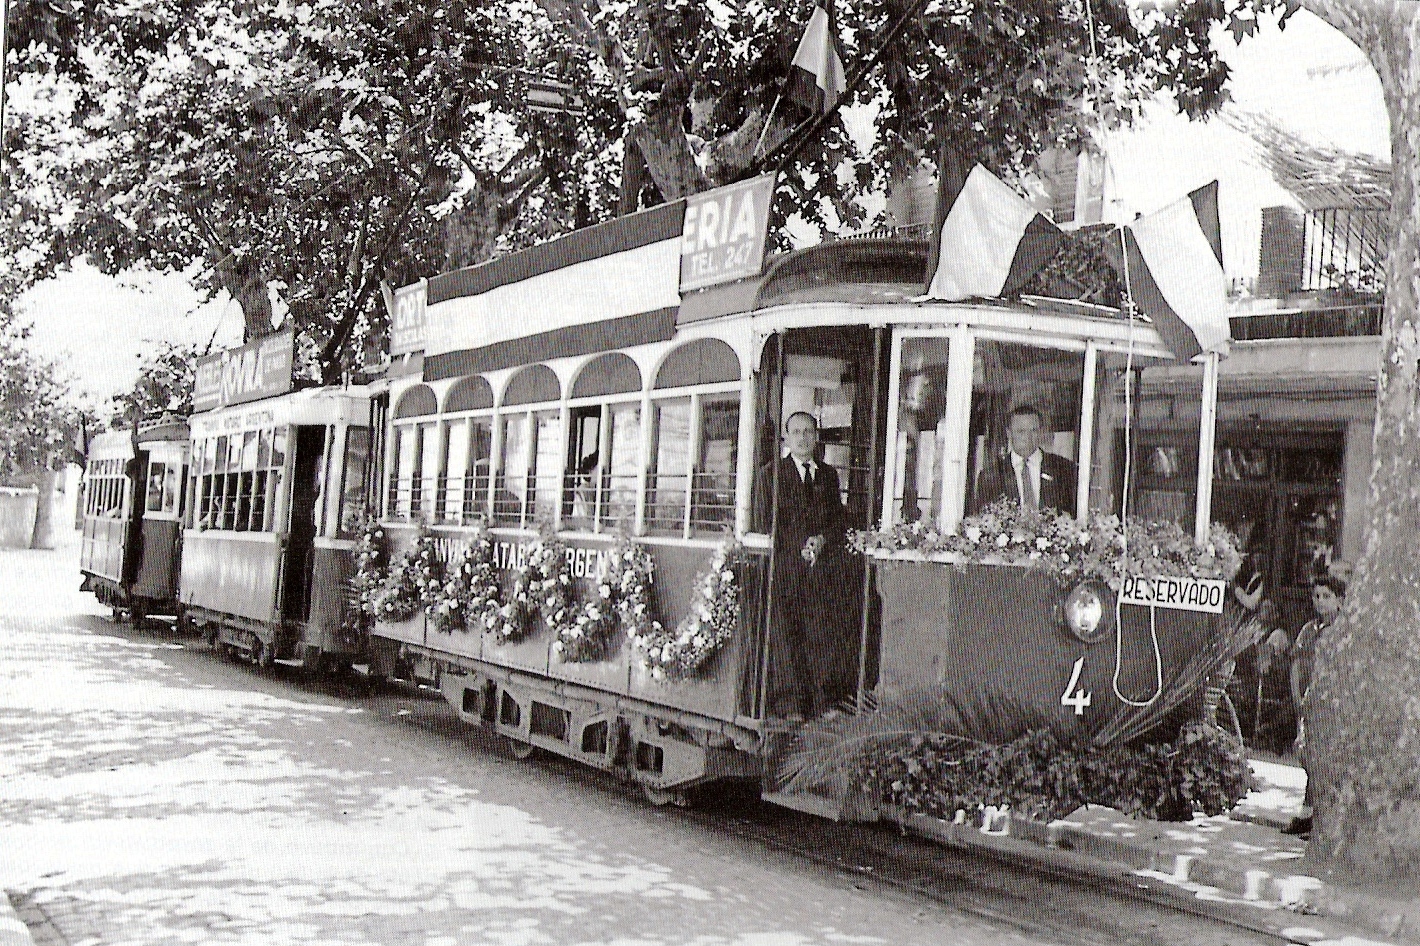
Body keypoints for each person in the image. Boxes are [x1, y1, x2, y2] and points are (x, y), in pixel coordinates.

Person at [752, 412, 852, 721]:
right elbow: (765, 523)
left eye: (809, 431)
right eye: (796, 432)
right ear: (786, 438)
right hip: (786, 570)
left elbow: (838, 520)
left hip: (821, 572)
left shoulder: (828, 475)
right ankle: (790, 704)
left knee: (820, 635)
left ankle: (822, 701)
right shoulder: (771, 475)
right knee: (788, 637)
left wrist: (822, 539)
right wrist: (798, 545)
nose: (803, 437)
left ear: (817, 436)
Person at [1281, 574, 1347, 837]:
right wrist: (1297, 696)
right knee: (1306, 754)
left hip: (1330, 704)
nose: (1320, 602)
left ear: (1340, 601)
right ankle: (1308, 813)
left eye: (1326, 596)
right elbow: (1297, 664)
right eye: (1317, 596)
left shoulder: (1343, 632)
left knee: (1324, 760)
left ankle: (1320, 817)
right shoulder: (1309, 630)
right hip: (1307, 703)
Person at [972, 404, 1078, 515]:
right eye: (1021, 431)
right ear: (1009, 433)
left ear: (1041, 432)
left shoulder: (1063, 469)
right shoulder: (991, 475)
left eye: (1033, 431)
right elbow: (984, 520)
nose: (1028, 438)